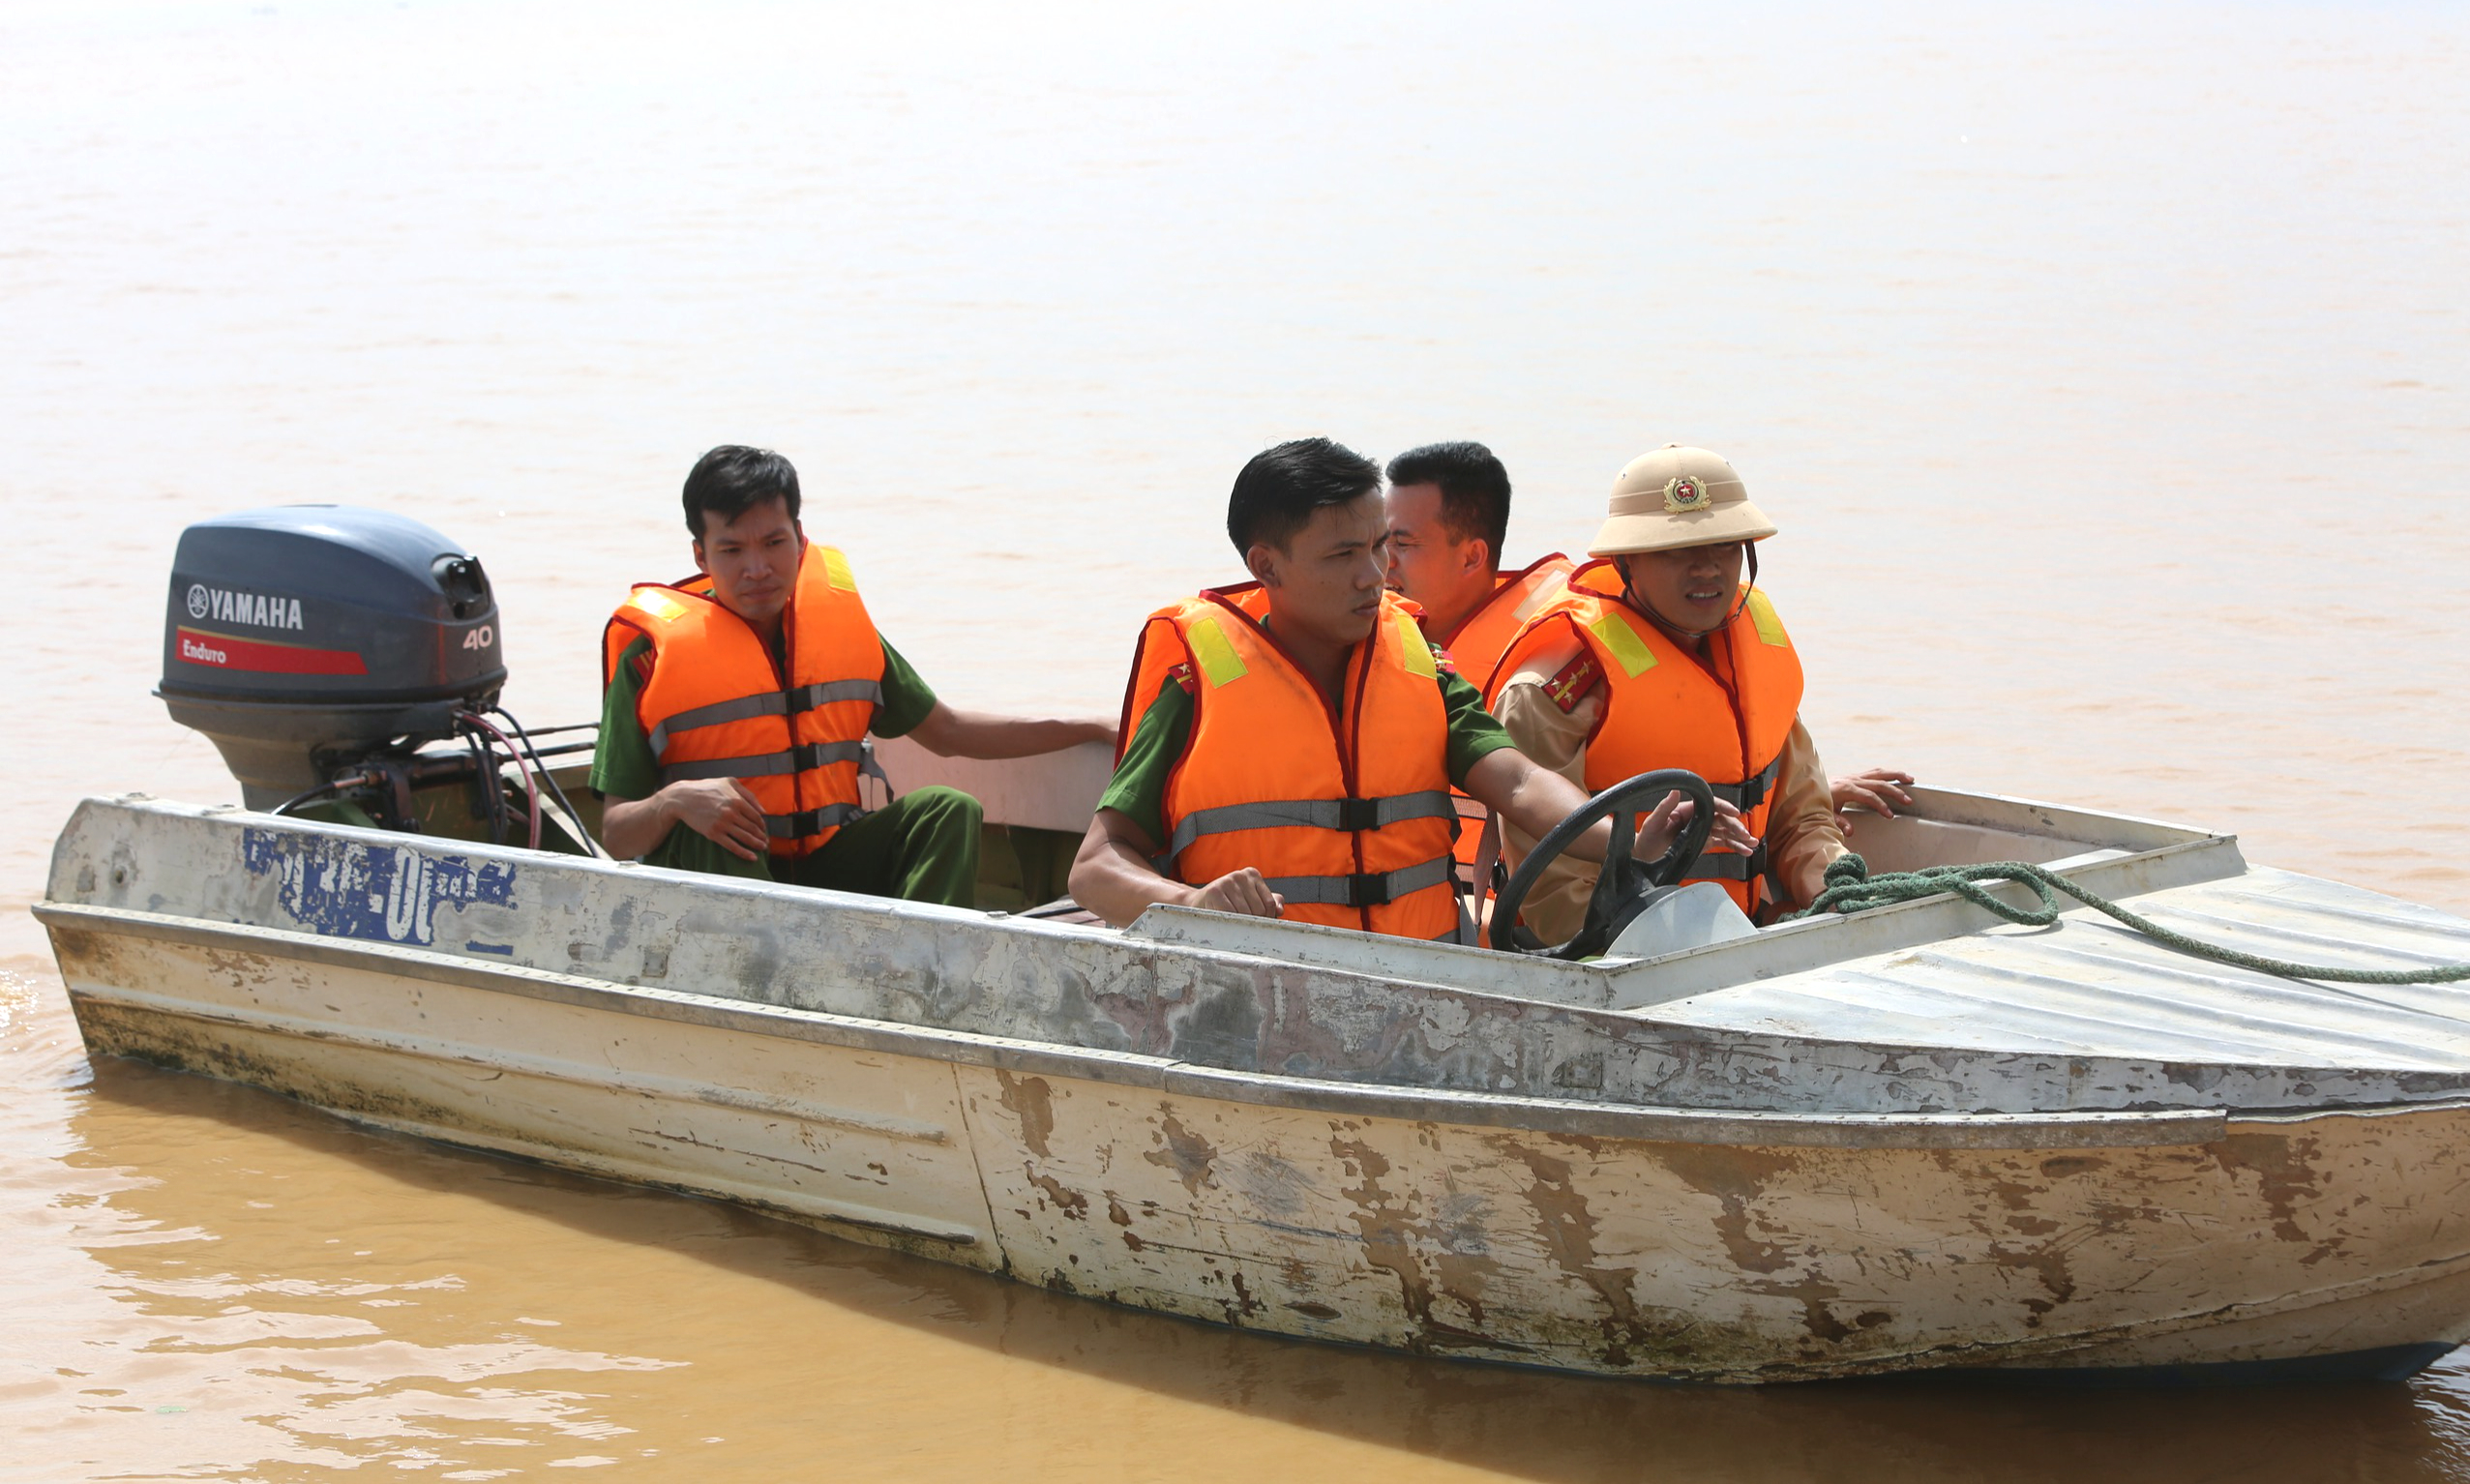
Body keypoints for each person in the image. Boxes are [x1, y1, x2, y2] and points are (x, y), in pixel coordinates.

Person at [1067, 437, 1752, 940]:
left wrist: (1624, 838)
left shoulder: (1422, 665)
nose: (1374, 575)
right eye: (1343, 554)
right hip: (1263, 991)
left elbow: (1517, 782)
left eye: (1380, 546)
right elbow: (1095, 867)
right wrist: (1191, 905)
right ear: (1265, 566)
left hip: (1419, 984)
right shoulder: (1195, 683)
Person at [592, 445, 1113, 905]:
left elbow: (949, 730)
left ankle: (921, 968)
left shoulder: (837, 630)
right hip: (725, 881)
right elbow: (616, 833)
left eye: (773, 542)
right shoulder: (648, 655)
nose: (758, 568)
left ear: (800, 540)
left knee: (948, 809)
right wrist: (675, 801)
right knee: (706, 826)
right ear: (701, 555)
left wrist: (1089, 726)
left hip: (829, 863)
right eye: (732, 550)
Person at [1487, 444, 1901, 937]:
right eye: (1675, 550)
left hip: (1739, 936)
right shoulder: (1554, 693)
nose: (1707, 568)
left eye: (1725, 546)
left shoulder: (1753, 657)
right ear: (1625, 562)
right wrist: (1692, 945)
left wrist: (1835, 890)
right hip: (1615, 950)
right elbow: (1556, 899)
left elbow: (1803, 820)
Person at [1382, 440, 1577, 877]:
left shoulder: (1551, 658)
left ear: (1472, 556)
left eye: (1403, 545)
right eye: (1377, 543)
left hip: (1499, 906)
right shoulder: (1358, 642)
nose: (1381, 564)